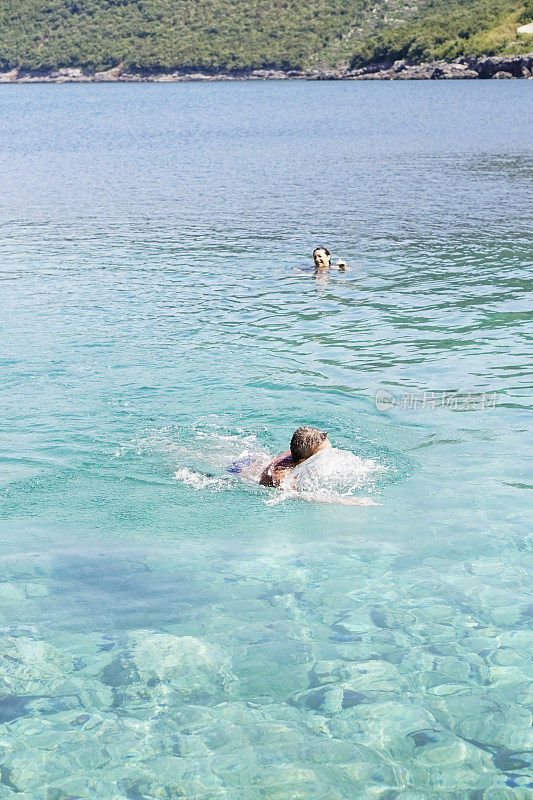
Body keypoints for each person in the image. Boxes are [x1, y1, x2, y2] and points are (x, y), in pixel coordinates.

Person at [259, 426, 331, 487]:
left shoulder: (303, 452)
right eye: (322, 454)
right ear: (303, 461)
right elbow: (297, 495)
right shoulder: (282, 476)